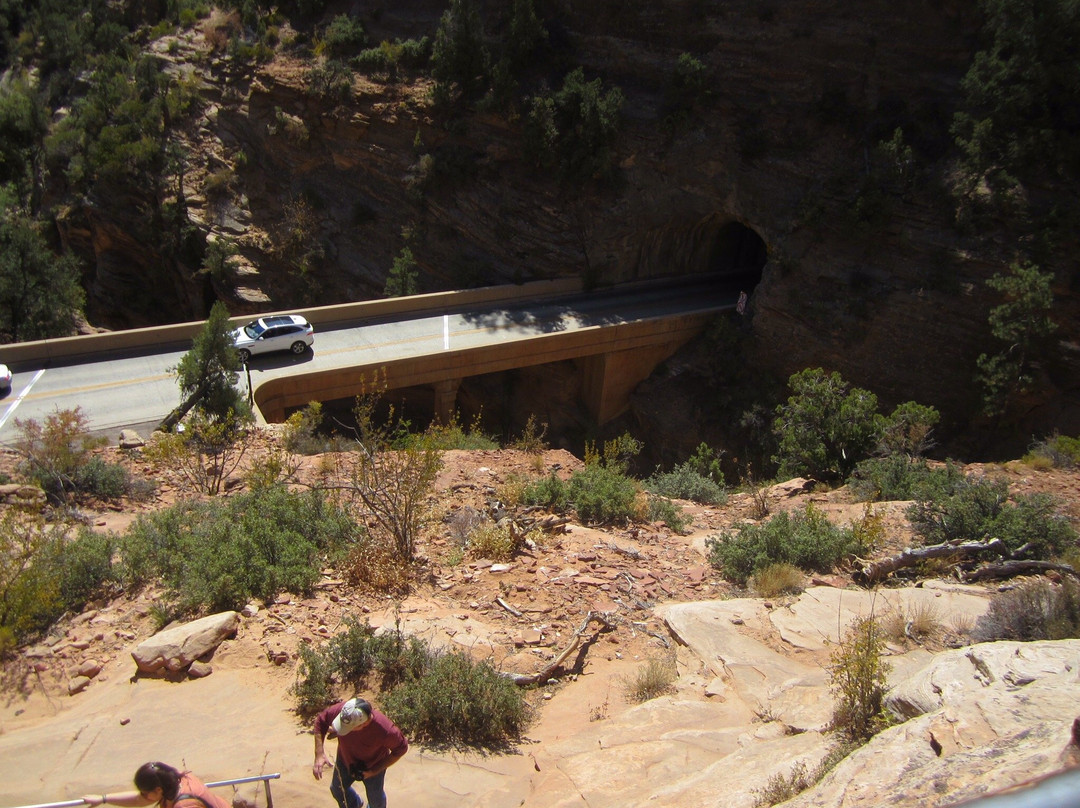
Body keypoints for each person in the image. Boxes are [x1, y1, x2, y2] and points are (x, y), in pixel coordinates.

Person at [313, 697, 409, 808]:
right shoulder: (344, 711)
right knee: (337, 790)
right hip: (345, 759)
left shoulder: (385, 730)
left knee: (376, 801)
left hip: (374, 765)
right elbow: (321, 721)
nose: (344, 729)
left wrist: (374, 771)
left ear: (364, 723)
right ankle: (355, 804)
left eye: (348, 728)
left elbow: (401, 749)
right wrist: (319, 754)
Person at [81, 761, 229, 808]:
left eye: (145, 792)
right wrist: (103, 799)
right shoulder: (172, 779)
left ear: (158, 789)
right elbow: (139, 799)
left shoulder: (185, 805)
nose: (143, 796)